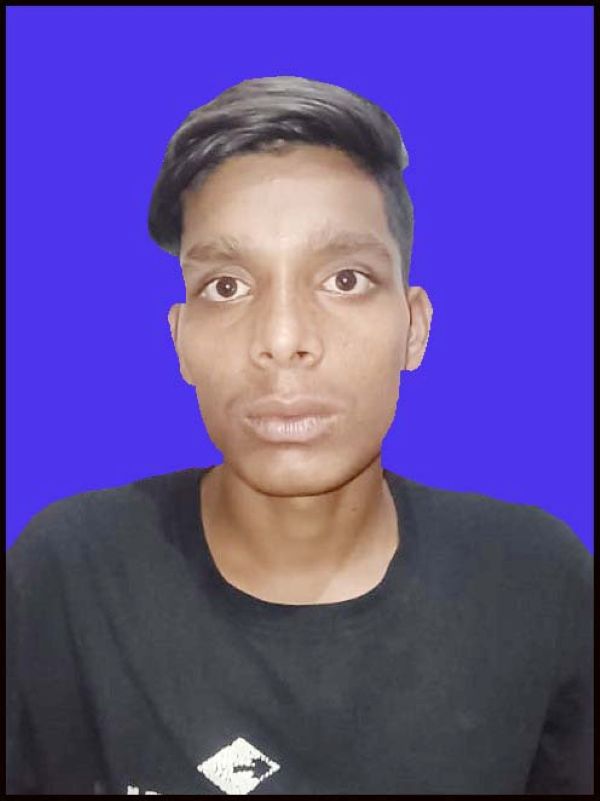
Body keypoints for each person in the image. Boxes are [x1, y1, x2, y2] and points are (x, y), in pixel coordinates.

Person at [6, 76, 592, 796]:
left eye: (345, 279)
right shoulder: (70, 575)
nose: (282, 339)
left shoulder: (536, 583)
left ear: (414, 327)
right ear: (180, 341)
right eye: (227, 286)